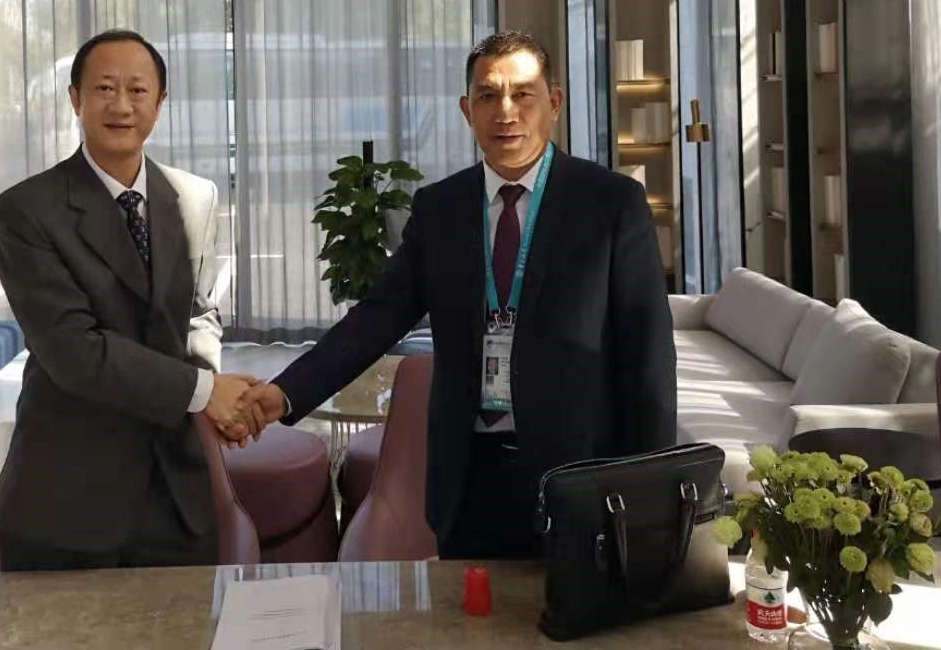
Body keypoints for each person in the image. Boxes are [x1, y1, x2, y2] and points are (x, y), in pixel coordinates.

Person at [230, 31, 676, 559]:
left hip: (579, 471)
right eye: (488, 96)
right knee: (471, 608)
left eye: (523, 94)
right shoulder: (441, 208)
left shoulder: (611, 204)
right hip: (469, 474)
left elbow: (648, 359)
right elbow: (377, 317)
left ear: (553, 103)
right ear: (468, 110)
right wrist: (285, 393)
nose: (505, 112)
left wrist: (651, 495)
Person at [0, 30, 254, 570]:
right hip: (70, 494)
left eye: (138, 90)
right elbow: (74, 351)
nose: (121, 105)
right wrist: (204, 391)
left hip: (177, 490)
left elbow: (198, 312)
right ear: (75, 98)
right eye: (104, 88)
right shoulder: (27, 209)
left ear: (160, 101)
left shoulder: (194, 197)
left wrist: (211, 392)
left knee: (186, 618)